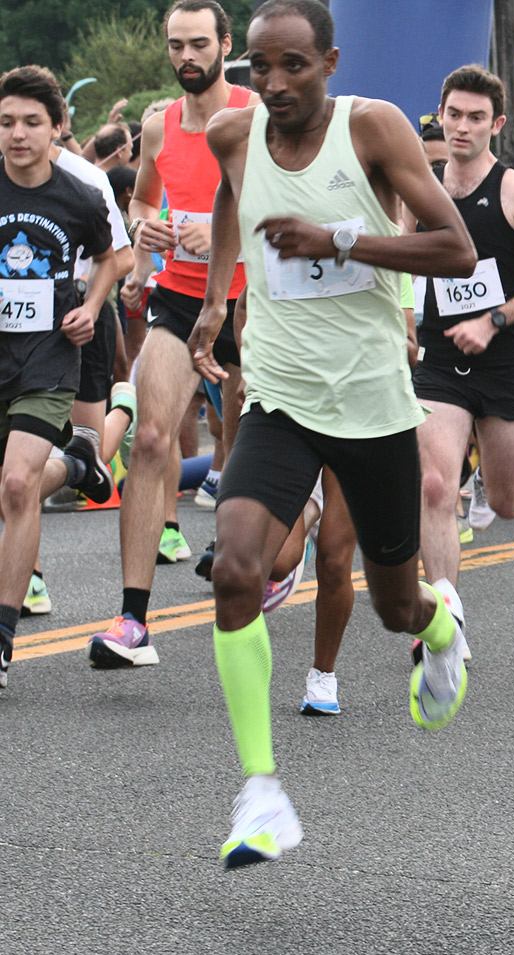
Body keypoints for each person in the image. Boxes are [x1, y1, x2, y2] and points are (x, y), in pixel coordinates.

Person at [188, 0, 479, 867]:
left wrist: (340, 239)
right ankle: (263, 793)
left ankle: (438, 628)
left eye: (293, 67)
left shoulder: (375, 130)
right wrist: (212, 305)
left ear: (331, 61)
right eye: (258, 68)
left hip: (370, 403)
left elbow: (454, 249)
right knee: (238, 570)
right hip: (279, 395)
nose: (273, 84)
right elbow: (232, 211)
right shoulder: (233, 137)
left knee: (392, 604)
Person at [92, 0, 256, 669]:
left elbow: (291, 206)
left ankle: (268, 547)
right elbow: (141, 199)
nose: (186, 58)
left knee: (245, 443)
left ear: (224, 43)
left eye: (198, 45)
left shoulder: (256, 115)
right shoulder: (157, 125)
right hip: (182, 300)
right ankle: (133, 621)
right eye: (174, 46)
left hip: (257, 302)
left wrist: (223, 232)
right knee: (151, 435)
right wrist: (146, 229)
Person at [414, 66, 514, 648]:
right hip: (438, 361)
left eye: (476, 117)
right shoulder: (424, 184)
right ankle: (445, 623)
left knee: (505, 503)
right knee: (435, 486)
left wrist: (495, 319)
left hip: (505, 359)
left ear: (497, 124)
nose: (461, 126)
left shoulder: (513, 190)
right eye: (453, 114)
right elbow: (403, 259)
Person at [0, 65, 119, 687]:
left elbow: (114, 256)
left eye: (31, 123)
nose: (17, 134)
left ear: (57, 128)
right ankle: (76, 466)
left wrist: (92, 306)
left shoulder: (79, 194)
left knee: (17, 485)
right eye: (6, 122)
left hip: (47, 360)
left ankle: (1, 639)